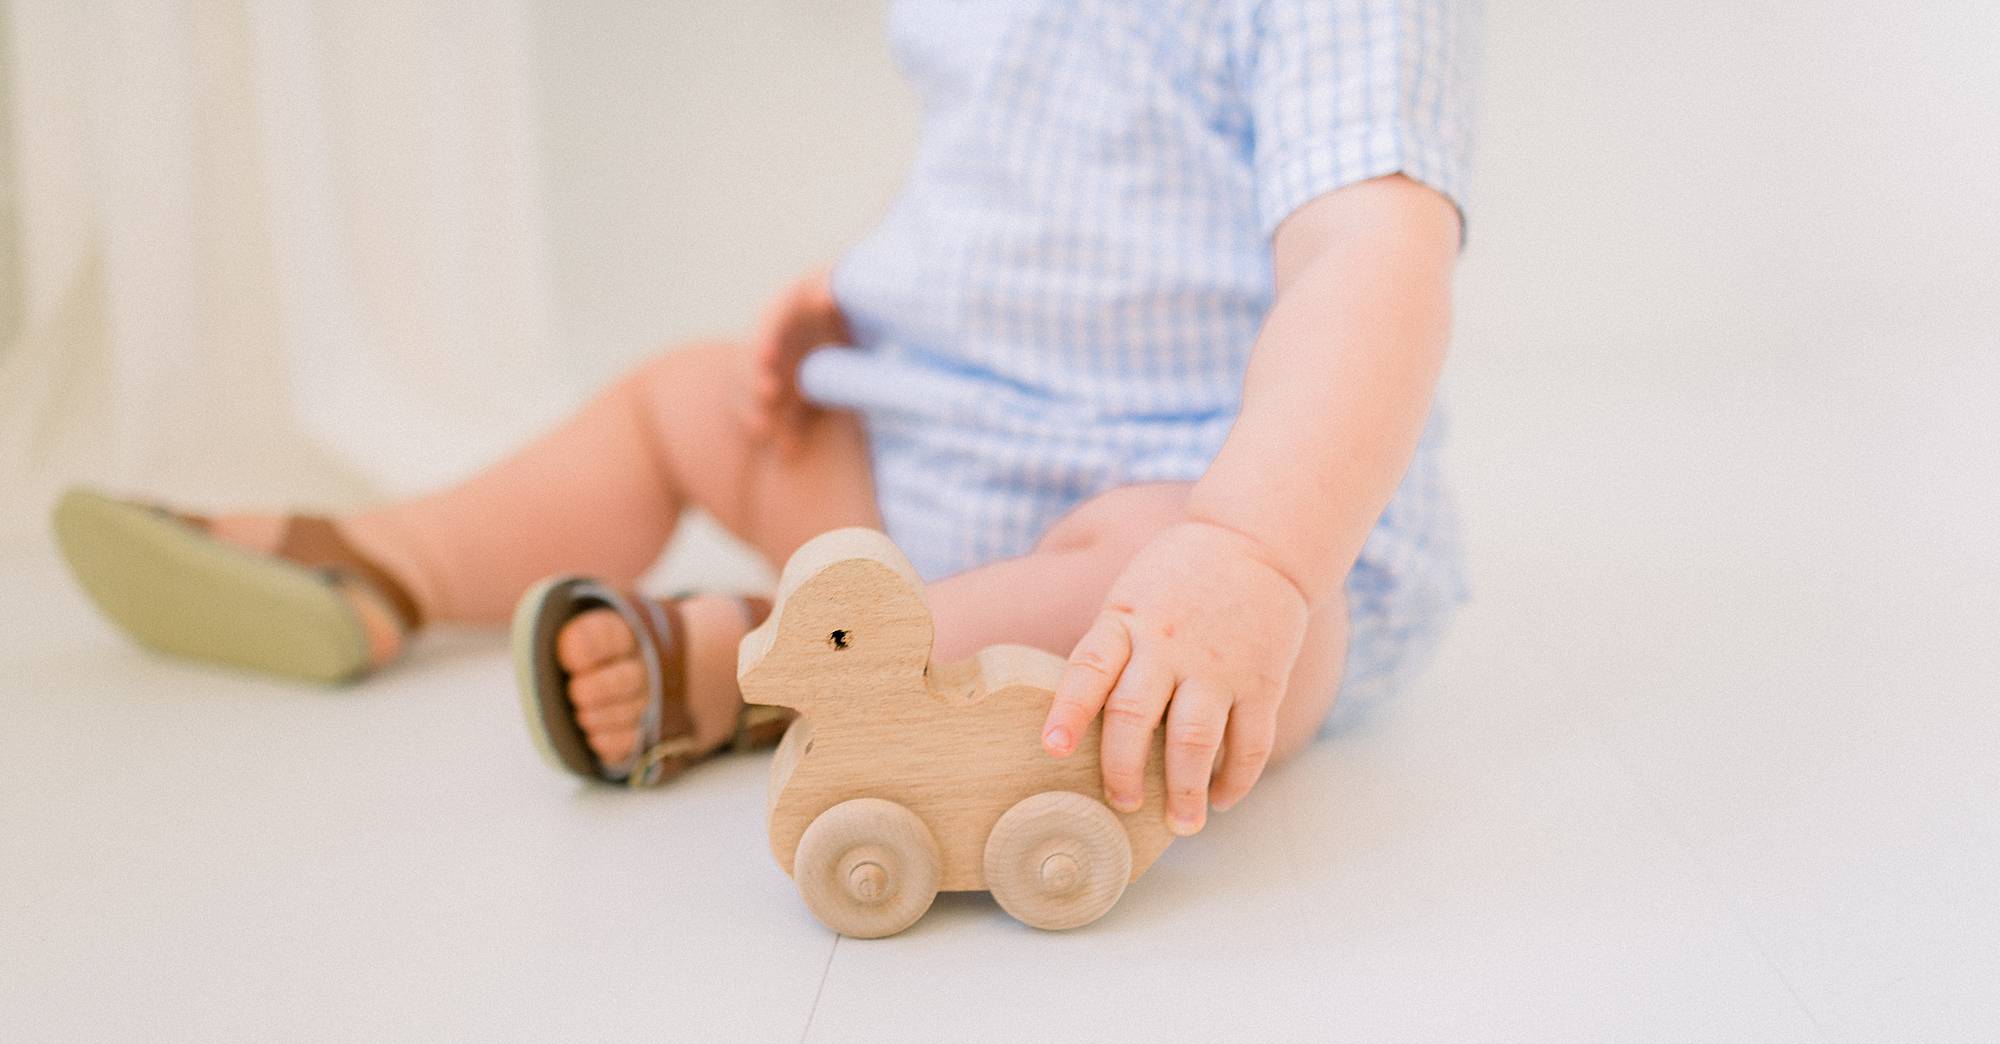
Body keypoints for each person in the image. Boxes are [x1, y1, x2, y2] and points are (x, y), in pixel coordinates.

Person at [54, 0, 1477, 840]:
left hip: (1206, 533)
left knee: (1142, 577)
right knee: (681, 402)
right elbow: (1007, 189)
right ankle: (385, 564)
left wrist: (1251, 554)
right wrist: (864, 302)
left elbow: (1374, 255)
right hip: (941, 452)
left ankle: (755, 669)